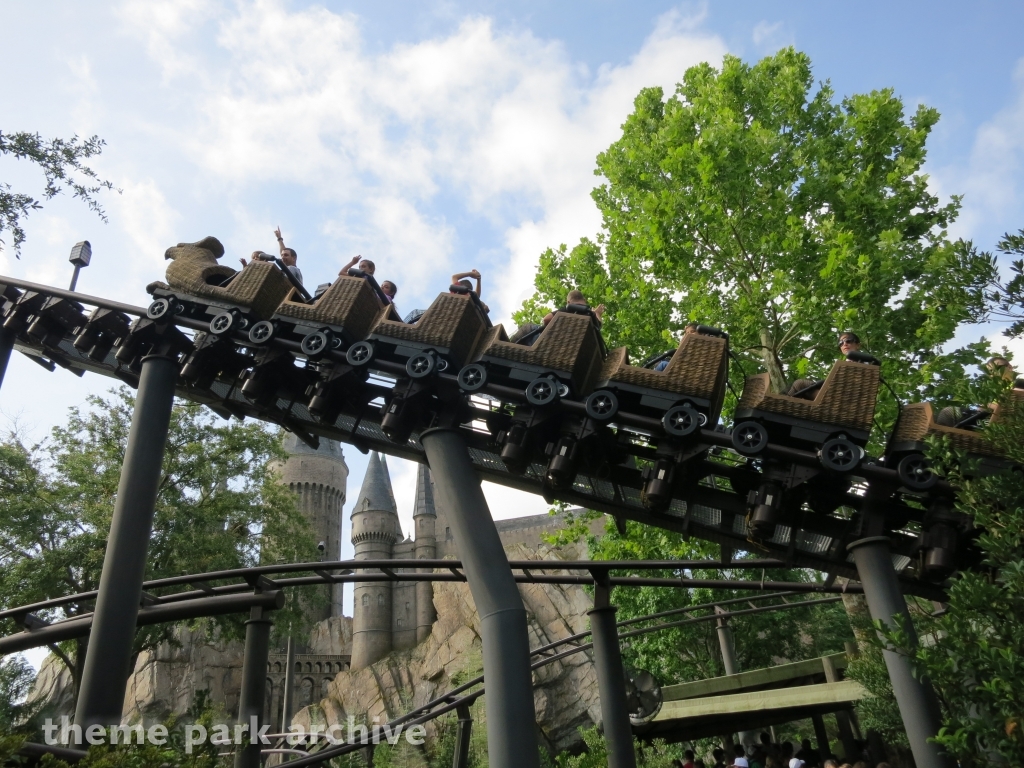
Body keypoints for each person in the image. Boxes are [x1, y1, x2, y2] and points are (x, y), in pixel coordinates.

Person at [935, 356, 1016, 427]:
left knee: (948, 412)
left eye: (997, 368)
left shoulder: (1018, 384)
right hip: (983, 419)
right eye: (990, 371)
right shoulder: (995, 391)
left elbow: (1012, 408)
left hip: (1001, 423)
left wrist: (988, 405)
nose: (994, 373)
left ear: (1009, 367)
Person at [786, 332, 861, 399]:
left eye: (848, 341)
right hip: (834, 393)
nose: (844, 344)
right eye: (841, 343)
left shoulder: (864, 362)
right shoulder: (845, 363)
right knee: (795, 389)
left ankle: (779, 405)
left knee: (800, 384)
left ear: (858, 345)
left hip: (841, 398)